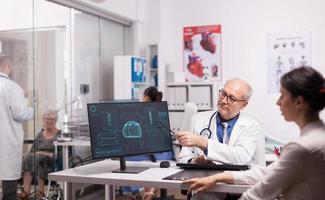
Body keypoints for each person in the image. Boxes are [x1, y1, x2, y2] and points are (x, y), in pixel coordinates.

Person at [184, 66, 325, 200]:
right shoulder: (316, 138)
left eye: (282, 96)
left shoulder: (302, 148)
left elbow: (262, 191)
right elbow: (268, 172)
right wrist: (219, 177)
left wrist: (205, 146)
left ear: (299, 102)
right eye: (223, 94)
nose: (278, 102)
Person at [177, 78, 262, 166]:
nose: (224, 100)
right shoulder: (200, 123)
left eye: (231, 99)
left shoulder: (251, 126)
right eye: (223, 94)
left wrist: (203, 143)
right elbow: (183, 157)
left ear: (244, 105)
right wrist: (193, 160)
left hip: (237, 178)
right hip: (206, 176)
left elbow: (241, 157)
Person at [124, 86, 173, 200]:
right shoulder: (161, 111)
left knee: (129, 157)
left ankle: (144, 191)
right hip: (164, 154)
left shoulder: (140, 112)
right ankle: (148, 190)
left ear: (145, 97)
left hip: (151, 154)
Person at [0, 54, 34, 200]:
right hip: (7, 141)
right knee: (9, 188)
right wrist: (32, 109)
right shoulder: (13, 88)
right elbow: (20, 113)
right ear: (9, 66)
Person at [19, 109, 62, 199]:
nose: (48, 121)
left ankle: (41, 191)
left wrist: (43, 153)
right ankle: (26, 191)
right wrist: (39, 154)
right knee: (28, 158)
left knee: (39, 158)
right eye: (46, 118)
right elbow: (32, 151)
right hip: (37, 160)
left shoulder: (59, 134)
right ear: (43, 120)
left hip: (53, 162)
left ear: (55, 120)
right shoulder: (40, 134)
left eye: (51, 119)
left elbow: (61, 154)